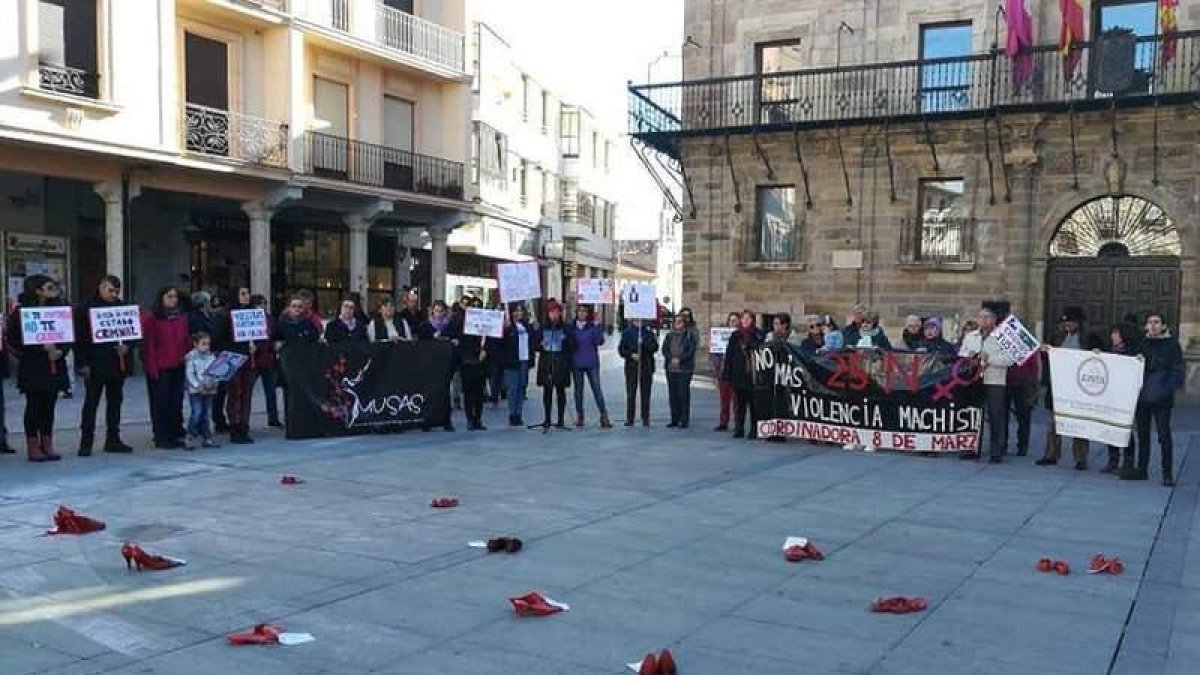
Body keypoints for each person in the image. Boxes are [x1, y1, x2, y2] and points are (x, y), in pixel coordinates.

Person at [6, 275, 71, 461]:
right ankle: (32, 445)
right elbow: (14, 340)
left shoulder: (59, 309)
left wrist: (61, 351)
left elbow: (67, 335)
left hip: (55, 364)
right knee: (34, 405)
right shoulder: (21, 313)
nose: (54, 290)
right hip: (33, 365)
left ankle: (47, 442)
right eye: (49, 287)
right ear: (37, 290)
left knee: (49, 406)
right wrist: (40, 347)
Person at [73, 275, 135, 455]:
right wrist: (82, 363)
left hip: (117, 363)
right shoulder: (85, 309)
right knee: (91, 403)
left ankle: (113, 439)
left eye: (117, 291)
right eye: (110, 290)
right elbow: (79, 339)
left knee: (115, 402)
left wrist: (128, 346)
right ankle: (86, 442)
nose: (114, 294)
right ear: (101, 287)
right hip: (94, 363)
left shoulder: (122, 307)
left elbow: (132, 332)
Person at [1036, 307, 1103, 470]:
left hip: (1079, 387)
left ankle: (1081, 458)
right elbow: (1049, 359)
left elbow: (1100, 358)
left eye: (1071, 322)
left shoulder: (1089, 338)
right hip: (1058, 384)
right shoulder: (1057, 336)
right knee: (1054, 423)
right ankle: (1051, 454)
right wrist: (1045, 352)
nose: (1068, 325)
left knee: (1079, 423)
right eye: (1065, 322)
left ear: (1078, 323)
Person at [1124, 312, 1185, 486]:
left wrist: (1167, 388)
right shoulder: (1141, 343)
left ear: (1164, 326)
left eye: (1157, 322)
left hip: (1161, 397)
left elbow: (1178, 370)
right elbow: (1127, 362)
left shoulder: (1172, 345)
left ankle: (1167, 473)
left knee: (1164, 435)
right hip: (1142, 395)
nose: (1153, 325)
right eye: (1150, 322)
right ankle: (1142, 469)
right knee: (1142, 434)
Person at [142, 287, 190, 449]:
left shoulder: (181, 317)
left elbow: (185, 339)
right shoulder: (152, 318)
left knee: (176, 402)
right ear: (161, 298)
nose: (173, 299)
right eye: (169, 296)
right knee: (161, 402)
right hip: (160, 366)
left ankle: (174, 432)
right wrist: (151, 367)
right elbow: (148, 345)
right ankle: (161, 435)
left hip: (178, 364)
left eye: (175, 297)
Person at [273, 293, 323, 423]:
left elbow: (315, 340)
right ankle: (290, 420)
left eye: (300, 306)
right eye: (294, 306)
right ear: (289, 307)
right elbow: (275, 341)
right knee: (289, 394)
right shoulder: (281, 324)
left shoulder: (309, 324)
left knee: (304, 394)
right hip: (288, 366)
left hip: (304, 365)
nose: (297, 309)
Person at [974, 308, 1015, 464]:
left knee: (996, 416)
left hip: (995, 380)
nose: (983, 320)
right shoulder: (972, 336)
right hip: (974, 381)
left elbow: (1010, 359)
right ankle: (972, 448)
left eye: (987, 317)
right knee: (974, 415)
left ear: (994, 320)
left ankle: (996, 450)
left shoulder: (1002, 337)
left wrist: (989, 360)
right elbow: (962, 354)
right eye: (981, 317)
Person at [223, 287, 263, 444]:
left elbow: (261, 334)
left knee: (246, 394)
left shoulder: (254, 313)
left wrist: (257, 346)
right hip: (234, 359)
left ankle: (244, 426)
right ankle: (234, 426)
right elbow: (220, 337)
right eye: (243, 294)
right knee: (234, 394)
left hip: (250, 360)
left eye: (247, 293)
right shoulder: (227, 316)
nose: (247, 296)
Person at [189, 291, 230, 433]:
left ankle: (217, 419)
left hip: (215, 356)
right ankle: (200, 426)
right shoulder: (196, 319)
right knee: (202, 393)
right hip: (203, 359)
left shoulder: (212, 316)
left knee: (218, 390)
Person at [1102, 321, 1140, 474]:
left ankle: (1128, 461)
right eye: (1112, 333)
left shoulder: (1132, 352)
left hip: (1125, 396)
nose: (1112, 336)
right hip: (1110, 394)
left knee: (1125, 430)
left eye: (1115, 333)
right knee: (1109, 427)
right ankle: (1113, 459)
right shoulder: (1109, 350)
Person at [569, 304, 611, 428]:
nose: (582, 314)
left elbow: (599, 341)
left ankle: (604, 415)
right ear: (576, 313)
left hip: (591, 362)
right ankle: (580, 415)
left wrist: (598, 327)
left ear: (588, 314)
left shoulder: (592, 326)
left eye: (584, 311)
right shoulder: (571, 327)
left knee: (597, 389)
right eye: (580, 311)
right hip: (577, 363)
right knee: (578, 391)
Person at [723, 310, 764, 439]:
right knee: (739, 404)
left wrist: (750, 346)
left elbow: (761, 351)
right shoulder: (735, 335)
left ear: (753, 320)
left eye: (748, 318)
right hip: (739, 373)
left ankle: (754, 429)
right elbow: (729, 355)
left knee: (754, 404)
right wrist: (727, 373)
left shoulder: (758, 334)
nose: (745, 320)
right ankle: (739, 428)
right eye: (743, 318)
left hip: (753, 374)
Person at [534, 300, 574, 428]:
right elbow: (534, 344)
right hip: (547, 362)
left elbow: (573, 345)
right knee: (547, 391)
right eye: (552, 312)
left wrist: (566, 339)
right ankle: (547, 418)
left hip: (561, 363)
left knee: (560, 391)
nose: (554, 315)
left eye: (557, 312)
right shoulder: (543, 327)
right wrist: (540, 345)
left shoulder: (566, 327)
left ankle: (561, 419)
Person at [420, 300, 458, 432]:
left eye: (441, 311)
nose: (439, 314)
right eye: (436, 311)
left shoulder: (450, 326)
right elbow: (421, 344)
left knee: (445, 392)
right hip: (430, 364)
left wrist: (453, 341)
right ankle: (427, 421)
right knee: (429, 392)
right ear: (432, 311)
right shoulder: (425, 326)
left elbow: (456, 340)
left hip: (446, 364)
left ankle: (446, 420)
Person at [499, 304, 534, 426]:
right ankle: (512, 414)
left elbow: (533, 340)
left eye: (520, 310)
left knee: (521, 388)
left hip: (524, 360)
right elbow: (501, 343)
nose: (518, 313)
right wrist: (506, 328)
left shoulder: (526, 326)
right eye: (516, 311)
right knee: (512, 389)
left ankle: (519, 413)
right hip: (512, 362)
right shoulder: (507, 327)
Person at [458, 298, 491, 431]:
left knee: (479, 393)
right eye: (474, 306)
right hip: (468, 362)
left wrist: (485, 351)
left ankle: (478, 419)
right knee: (469, 393)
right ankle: (470, 419)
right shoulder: (463, 323)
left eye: (479, 306)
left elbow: (491, 341)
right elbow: (463, 343)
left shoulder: (486, 324)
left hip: (481, 363)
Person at [618, 318, 658, 426]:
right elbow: (621, 349)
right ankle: (630, 418)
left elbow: (655, 347)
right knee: (631, 392)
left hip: (646, 366)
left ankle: (645, 417)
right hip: (632, 366)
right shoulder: (627, 333)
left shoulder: (649, 333)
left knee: (645, 392)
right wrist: (631, 355)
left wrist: (643, 343)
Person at [250, 294, 282, 428]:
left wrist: (276, 344)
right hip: (255, 358)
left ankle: (273, 418)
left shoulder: (270, 319)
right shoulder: (250, 318)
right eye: (260, 304)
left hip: (268, 357)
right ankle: (243, 419)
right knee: (248, 390)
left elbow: (275, 334)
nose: (263, 306)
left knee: (270, 390)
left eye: (264, 303)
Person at [184, 332, 219, 449]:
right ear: (195, 344)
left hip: (209, 389)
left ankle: (207, 438)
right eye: (203, 344)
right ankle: (190, 436)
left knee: (206, 414)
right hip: (196, 391)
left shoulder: (211, 357)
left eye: (208, 344)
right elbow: (190, 374)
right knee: (196, 413)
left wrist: (214, 383)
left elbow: (215, 372)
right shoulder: (191, 357)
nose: (206, 347)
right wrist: (197, 385)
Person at [662, 314, 697, 429]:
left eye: (680, 321)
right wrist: (670, 358)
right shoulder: (669, 336)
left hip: (684, 369)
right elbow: (665, 349)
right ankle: (674, 419)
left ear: (684, 323)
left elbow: (691, 351)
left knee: (683, 394)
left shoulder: (689, 336)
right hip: (671, 368)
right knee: (673, 394)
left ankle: (684, 419)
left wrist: (680, 359)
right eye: (676, 321)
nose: (678, 323)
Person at [712, 312, 741, 430]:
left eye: (735, 320)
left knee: (736, 399)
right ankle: (723, 422)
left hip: (735, 372)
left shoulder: (740, 336)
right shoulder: (721, 335)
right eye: (731, 320)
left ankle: (738, 422)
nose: (732, 322)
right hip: (723, 371)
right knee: (724, 398)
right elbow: (715, 354)